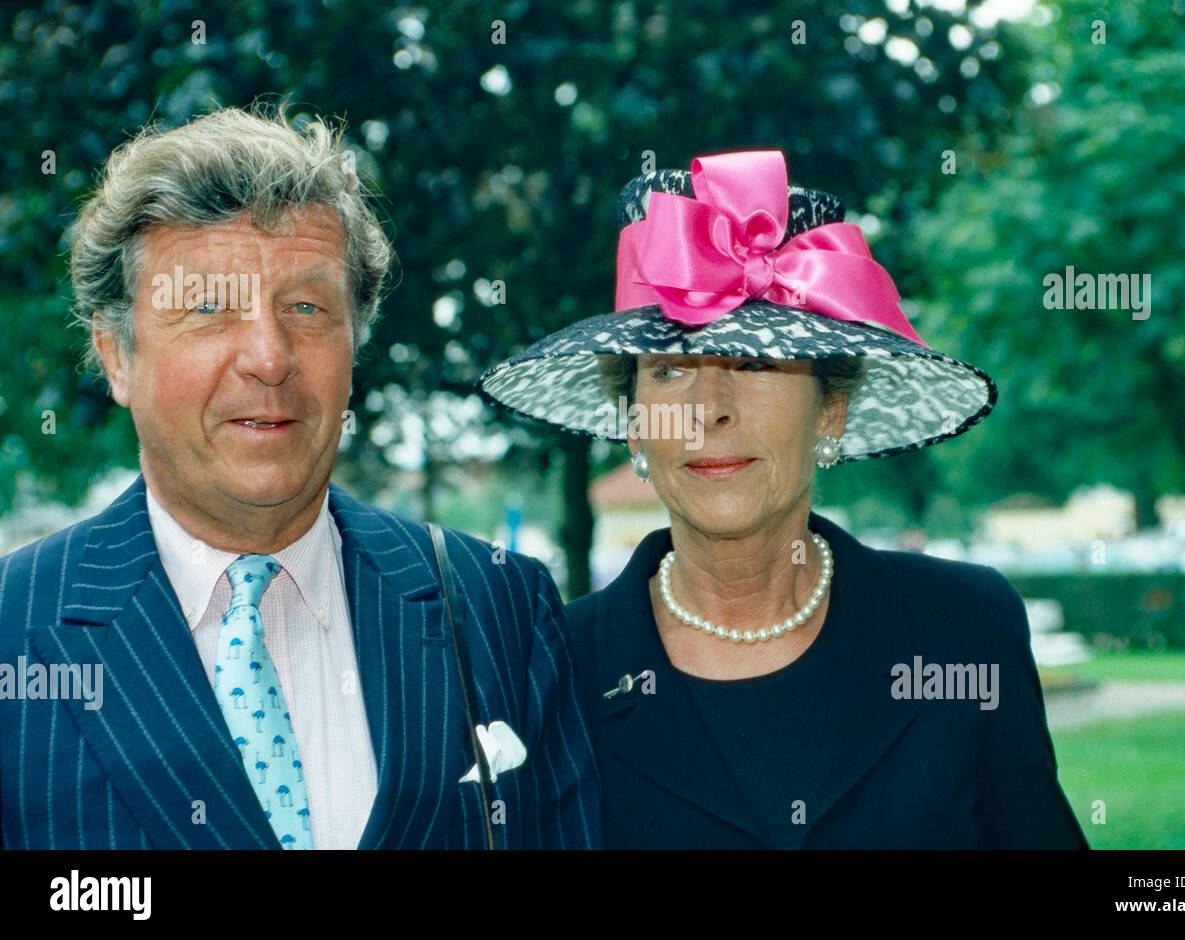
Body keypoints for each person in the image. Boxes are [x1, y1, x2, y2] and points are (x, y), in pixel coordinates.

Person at [0, 105, 599, 850]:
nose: (270, 356)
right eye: (209, 309)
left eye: (307, 307)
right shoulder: (13, 631)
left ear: (357, 341)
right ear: (117, 356)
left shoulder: (498, 604)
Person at [478, 150, 1087, 849]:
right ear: (634, 425)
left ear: (831, 409)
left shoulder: (962, 627)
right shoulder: (555, 672)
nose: (711, 409)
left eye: (757, 364)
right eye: (672, 369)